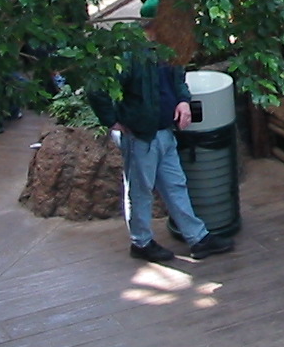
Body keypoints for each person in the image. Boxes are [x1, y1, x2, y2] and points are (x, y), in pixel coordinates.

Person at [89, 45, 234, 263]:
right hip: (140, 137)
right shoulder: (130, 54)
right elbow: (96, 88)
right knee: (140, 191)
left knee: (176, 185)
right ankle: (141, 243)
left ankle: (198, 238)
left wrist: (184, 101)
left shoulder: (169, 49)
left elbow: (178, 80)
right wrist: (112, 120)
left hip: (165, 132)